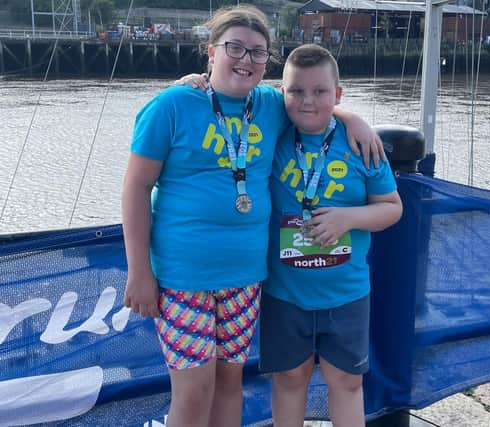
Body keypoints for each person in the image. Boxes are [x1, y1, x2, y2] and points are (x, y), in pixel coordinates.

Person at [122, 6, 383, 427]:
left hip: (245, 277)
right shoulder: (171, 105)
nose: (245, 59)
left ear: (267, 65)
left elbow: (310, 101)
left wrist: (353, 118)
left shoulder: (268, 105)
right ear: (211, 52)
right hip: (183, 275)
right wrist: (139, 271)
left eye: (258, 53)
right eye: (235, 48)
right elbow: (135, 187)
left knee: (230, 384)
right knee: (193, 394)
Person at [259, 44, 403, 427]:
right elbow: (235, 94)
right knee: (290, 379)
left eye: (321, 92)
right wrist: (195, 81)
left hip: (346, 292)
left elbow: (392, 207)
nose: (308, 101)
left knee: (346, 381)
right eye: (297, 91)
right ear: (282, 93)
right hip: (284, 291)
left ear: (337, 94)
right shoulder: (270, 134)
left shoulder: (363, 146)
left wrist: (348, 218)